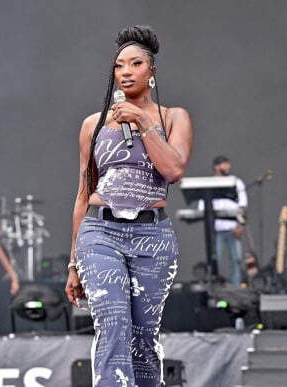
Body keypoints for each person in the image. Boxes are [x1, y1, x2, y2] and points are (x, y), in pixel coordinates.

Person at [65, 26, 193, 387]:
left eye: (135, 63)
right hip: (100, 232)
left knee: (143, 339)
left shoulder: (172, 117)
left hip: (152, 236)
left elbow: (173, 170)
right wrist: (73, 262)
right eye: (119, 65)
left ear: (151, 71)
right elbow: (82, 192)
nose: (125, 71)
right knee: (113, 325)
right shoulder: (92, 125)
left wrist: (141, 121)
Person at [197, 155, 248, 285]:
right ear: (216, 167)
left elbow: (242, 206)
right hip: (217, 230)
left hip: (233, 228)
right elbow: (202, 208)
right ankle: (215, 287)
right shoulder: (209, 183)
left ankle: (236, 287)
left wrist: (240, 226)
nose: (227, 167)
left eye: (227, 164)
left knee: (237, 260)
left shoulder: (236, 182)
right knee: (214, 261)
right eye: (224, 164)